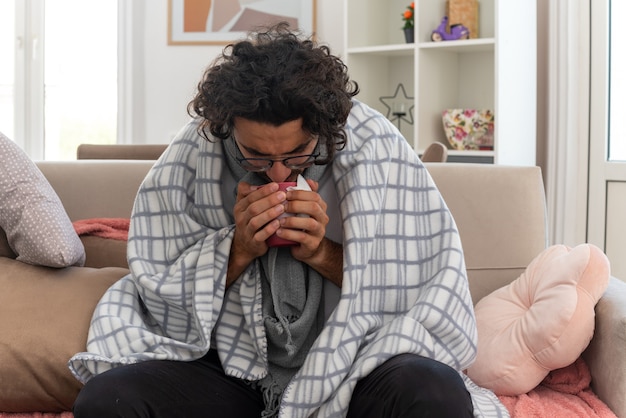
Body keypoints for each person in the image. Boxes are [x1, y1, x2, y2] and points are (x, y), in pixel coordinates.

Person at [70, 23, 507, 418]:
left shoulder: (376, 147)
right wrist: (236, 250)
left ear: (326, 127)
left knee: (435, 391)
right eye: (255, 156)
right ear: (226, 128)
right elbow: (158, 292)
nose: (278, 173)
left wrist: (321, 252)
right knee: (107, 400)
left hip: (355, 368)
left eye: (297, 155)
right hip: (232, 375)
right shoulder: (192, 156)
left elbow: (418, 290)